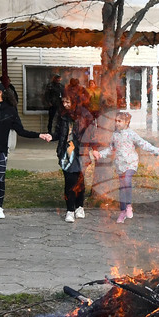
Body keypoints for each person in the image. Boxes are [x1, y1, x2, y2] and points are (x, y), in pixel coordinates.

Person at [0, 82, 52, 220]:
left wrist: (39, 135)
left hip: (1, 150)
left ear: (0, 92)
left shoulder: (11, 111)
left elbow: (21, 131)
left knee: (1, 179)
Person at [93, 110, 159, 224]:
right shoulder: (114, 135)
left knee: (127, 180)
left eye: (119, 121)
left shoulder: (132, 134)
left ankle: (129, 205)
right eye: (116, 121)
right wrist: (100, 154)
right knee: (122, 187)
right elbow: (111, 149)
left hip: (131, 163)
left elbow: (143, 143)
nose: (117, 123)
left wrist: (157, 151)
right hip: (120, 164)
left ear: (127, 122)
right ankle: (122, 211)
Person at [50, 95, 94, 223]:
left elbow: (91, 134)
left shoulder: (84, 116)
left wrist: (94, 148)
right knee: (70, 181)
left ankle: (79, 207)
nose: (65, 104)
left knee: (80, 181)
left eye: (67, 102)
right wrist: (50, 136)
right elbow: (58, 133)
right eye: (63, 102)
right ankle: (69, 210)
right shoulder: (62, 116)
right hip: (66, 153)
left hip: (81, 152)